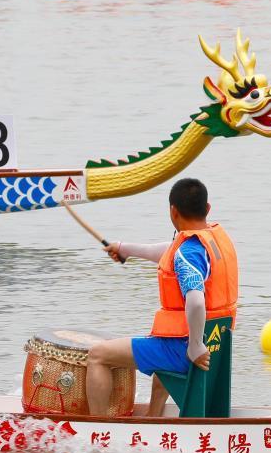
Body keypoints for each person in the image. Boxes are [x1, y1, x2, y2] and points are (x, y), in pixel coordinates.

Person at [85, 177, 236, 418]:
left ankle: (99, 430)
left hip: (186, 349)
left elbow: (196, 301)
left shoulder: (188, 253)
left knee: (98, 355)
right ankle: (153, 420)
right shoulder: (211, 241)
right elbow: (169, 251)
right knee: (159, 351)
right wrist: (125, 248)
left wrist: (195, 347)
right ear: (207, 209)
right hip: (216, 343)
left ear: (173, 211)